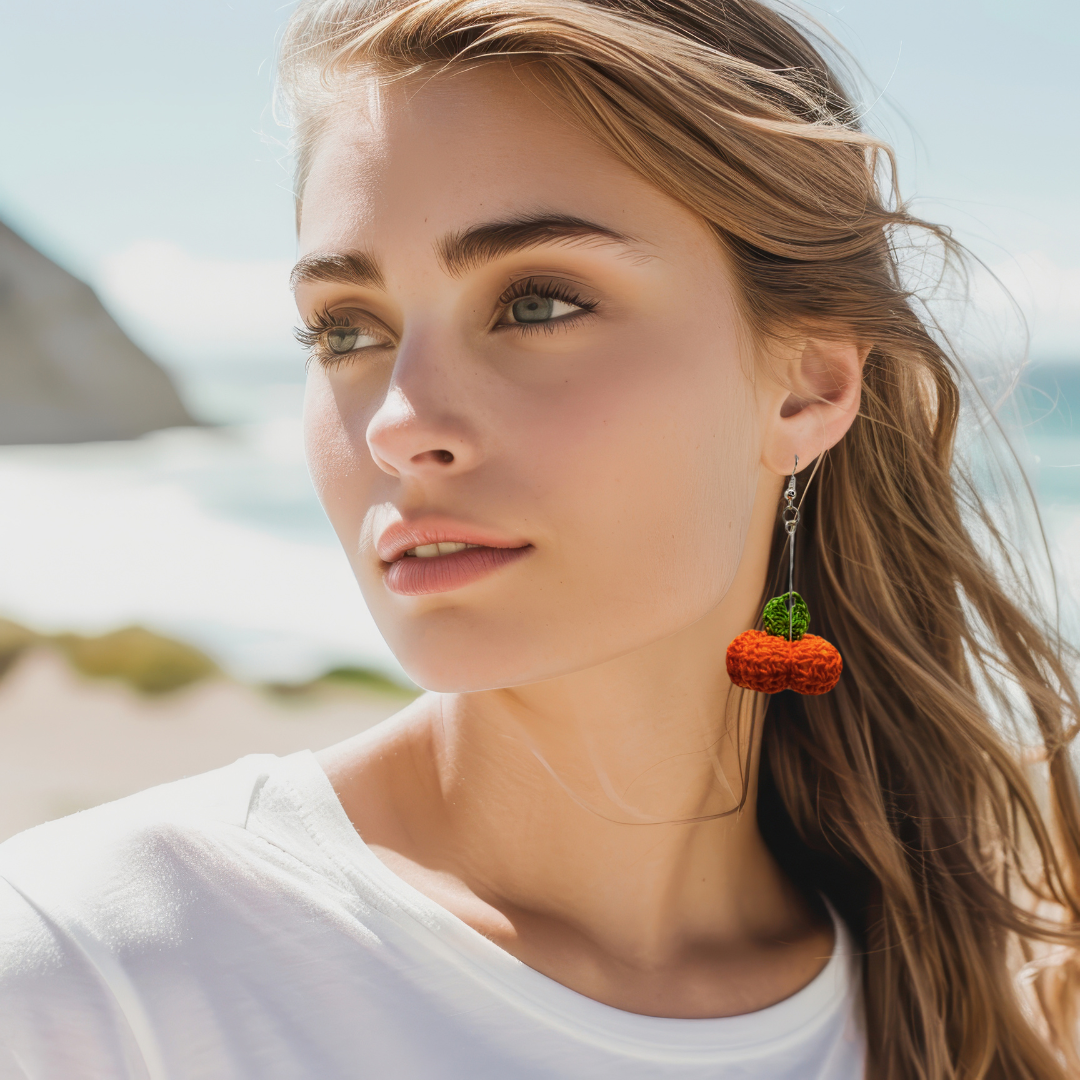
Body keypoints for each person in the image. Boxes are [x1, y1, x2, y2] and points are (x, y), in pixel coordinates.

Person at [2, 1, 1078, 1076]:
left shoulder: (974, 1010)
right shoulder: (83, 973)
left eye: (538, 303)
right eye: (348, 329)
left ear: (809, 387)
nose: (400, 421)